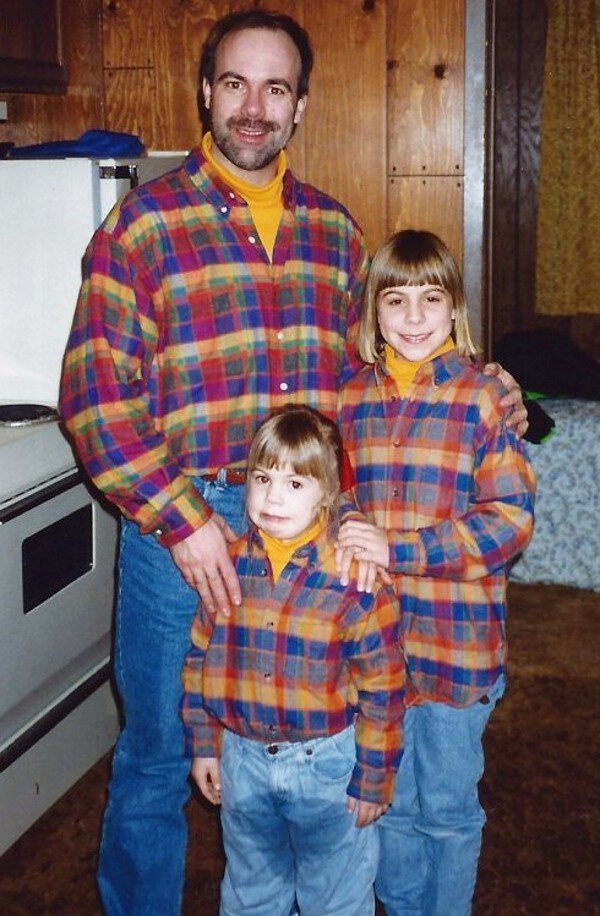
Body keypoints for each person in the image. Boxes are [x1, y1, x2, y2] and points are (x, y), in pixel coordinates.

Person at [59, 9, 527, 913]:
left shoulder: (333, 232)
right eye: (235, 83)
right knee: (159, 753)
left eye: (276, 89)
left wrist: (483, 382)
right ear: (206, 92)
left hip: (313, 532)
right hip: (184, 530)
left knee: (323, 739)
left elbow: (380, 364)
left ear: (300, 105)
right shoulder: (142, 228)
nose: (254, 106)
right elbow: (97, 396)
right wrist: (184, 521)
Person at [336, 229, 536, 915]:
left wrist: (397, 548)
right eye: (396, 300)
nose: (415, 317)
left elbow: (509, 522)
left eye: (431, 298)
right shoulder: (352, 400)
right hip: (378, 650)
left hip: (457, 649)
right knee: (388, 804)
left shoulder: (483, 397)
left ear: (455, 307)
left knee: (447, 811)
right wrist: (347, 528)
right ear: (374, 312)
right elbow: (343, 501)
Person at [181, 404, 405, 915]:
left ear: (327, 494)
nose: (273, 497)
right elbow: (199, 660)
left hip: (327, 768)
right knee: (251, 892)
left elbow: (384, 689)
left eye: (295, 483)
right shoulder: (227, 565)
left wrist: (375, 777)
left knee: (337, 898)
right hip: (242, 761)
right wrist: (204, 745)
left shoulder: (356, 580)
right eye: (262, 478)